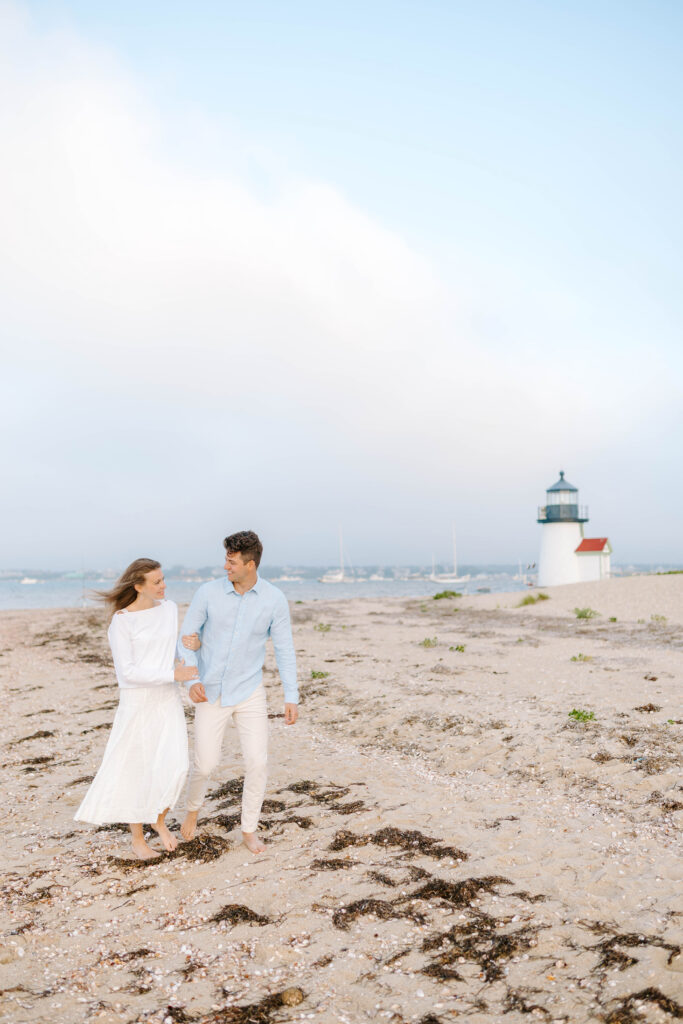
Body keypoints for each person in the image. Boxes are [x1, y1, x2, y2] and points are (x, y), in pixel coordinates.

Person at [178, 530, 298, 854]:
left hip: (249, 691)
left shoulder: (274, 599)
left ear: (250, 564)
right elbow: (185, 639)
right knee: (204, 765)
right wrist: (191, 682)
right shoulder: (207, 593)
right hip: (210, 692)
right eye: (226, 560)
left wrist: (291, 696)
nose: (226, 566)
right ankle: (192, 809)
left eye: (231, 561)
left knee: (257, 763)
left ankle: (249, 830)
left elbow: (285, 650)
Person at [75, 558, 198, 860]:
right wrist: (173, 674)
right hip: (138, 702)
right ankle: (138, 839)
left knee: (177, 764)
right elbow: (127, 673)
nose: (164, 585)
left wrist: (185, 653)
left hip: (167, 699)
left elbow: (171, 649)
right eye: (157, 582)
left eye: (163, 579)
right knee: (137, 769)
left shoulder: (169, 609)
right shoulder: (122, 621)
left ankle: (158, 818)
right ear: (138, 586)